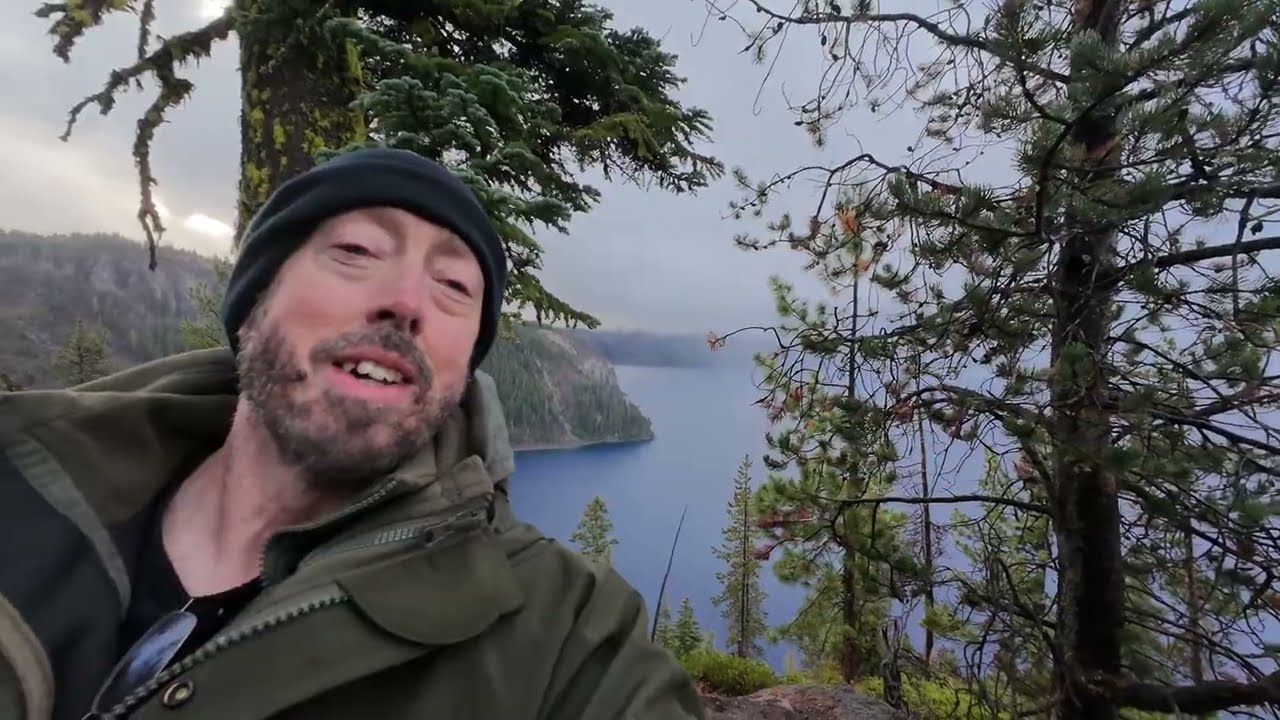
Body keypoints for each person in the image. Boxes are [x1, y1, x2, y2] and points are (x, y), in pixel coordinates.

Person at [0, 147, 705, 720]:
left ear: (464, 371)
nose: (406, 301)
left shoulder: (561, 631)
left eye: (456, 287)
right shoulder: (22, 489)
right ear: (253, 306)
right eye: (358, 249)